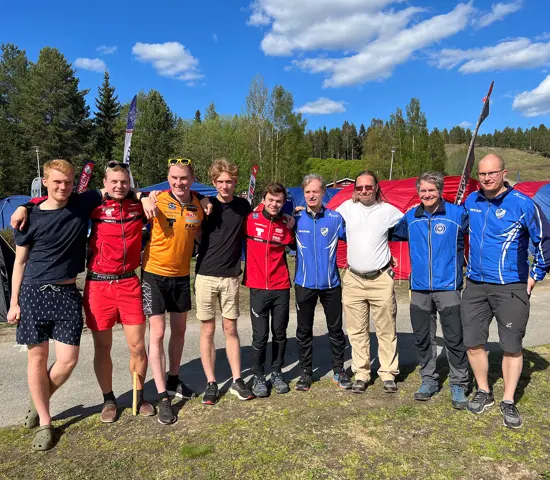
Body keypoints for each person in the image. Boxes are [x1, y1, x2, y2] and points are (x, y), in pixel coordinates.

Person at [10, 162, 158, 426]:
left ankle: (139, 394)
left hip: (129, 283)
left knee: (137, 346)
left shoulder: (139, 206)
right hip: (99, 285)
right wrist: (26, 205)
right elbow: (56, 198)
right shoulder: (92, 205)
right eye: (113, 182)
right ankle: (109, 399)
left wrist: (146, 196)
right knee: (103, 347)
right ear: (105, 182)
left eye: (124, 182)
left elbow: (171, 198)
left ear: (129, 182)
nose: (119, 186)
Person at [7, 160, 105, 451]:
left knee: (68, 360)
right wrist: (13, 303)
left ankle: (39, 399)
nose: (63, 187)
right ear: (45, 182)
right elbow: (20, 261)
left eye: (69, 182)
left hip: (66, 293)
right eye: (57, 182)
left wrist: (146, 196)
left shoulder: (80, 203)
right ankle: (47, 423)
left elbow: (116, 186)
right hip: (33, 293)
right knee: (37, 360)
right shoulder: (29, 216)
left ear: (75, 182)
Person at [462, 154, 550, 428]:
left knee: (511, 346)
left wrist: (536, 275)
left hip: (511, 285)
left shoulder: (522, 204)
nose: (487, 179)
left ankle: (508, 400)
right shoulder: (471, 201)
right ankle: (484, 391)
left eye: (492, 173)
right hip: (475, 284)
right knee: (473, 342)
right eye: (482, 174)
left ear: (503, 173)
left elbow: (544, 240)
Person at [392, 171, 469, 409]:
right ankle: (428, 379)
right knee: (422, 337)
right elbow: (386, 233)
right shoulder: (411, 217)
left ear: (440, 191)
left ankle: (459, 382)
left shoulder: (457, 215)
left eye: (431, 190)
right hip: (420, 289)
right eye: (423, 190)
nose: (427, 194)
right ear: (418, 192)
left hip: (448, 287)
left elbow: (479, 236)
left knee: (454, 337)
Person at [141, 158, 205, 424]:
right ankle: (162, 397)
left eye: (184, 178)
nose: (179, 183)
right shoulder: (155, 200)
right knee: (157, 333)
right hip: (154, 275)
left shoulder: (199, 204)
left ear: (192, 179)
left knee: (179, 331)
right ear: (168, 179)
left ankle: (173, 380)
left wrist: (204, 199)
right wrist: (142, 195)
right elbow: (125, 193)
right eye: (174, 178)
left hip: (181, 277)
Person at [194, 159, 254, 405]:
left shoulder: (243, 206)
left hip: (231, 277)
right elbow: (183, 191)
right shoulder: (205, 205)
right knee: (207, 331)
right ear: (214, 183)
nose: (225, 186)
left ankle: (237, 379)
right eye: (220, 181)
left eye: (229, 181)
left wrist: (292, 215)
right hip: (205, 276)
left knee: (231, 329)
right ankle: (211, 382)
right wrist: (202, 199)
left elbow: (265, 216)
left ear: (235, 181)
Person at [337, 171, 403, 394]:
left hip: (381, 278)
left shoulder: (388, 211)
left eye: (368, 187)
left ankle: (388, 373)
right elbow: (324, 218)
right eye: (359, 187)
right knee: (356, 330)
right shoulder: (346, 208)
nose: (363, 191)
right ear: (355, 189)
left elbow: (408, 225)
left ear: (376, 187)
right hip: (353, 278)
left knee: (386, 328)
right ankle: (362, 372)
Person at [293, 174, 351, 392]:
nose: (311, 195)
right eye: (307, 192)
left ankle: (339, 370)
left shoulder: (335, 218)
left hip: (330, 284)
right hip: (304, 283)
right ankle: (306, 372)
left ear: (323, 192)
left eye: (315, 191)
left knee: (335, 329)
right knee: (303, 330)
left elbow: (358, 236)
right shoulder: (295, 219)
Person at [243, 182, 294, 397]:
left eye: (279, 201)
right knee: (260, 335)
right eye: (271, 200)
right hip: (257, 287)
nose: (274, 204)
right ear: (263, 199)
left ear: (284, 203)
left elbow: (294, 244)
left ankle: (276, 372)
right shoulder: (250, 220)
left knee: (280, 333)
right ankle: (257, 376)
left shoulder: (287, 223)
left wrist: (293, 219)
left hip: (281, 286)